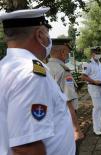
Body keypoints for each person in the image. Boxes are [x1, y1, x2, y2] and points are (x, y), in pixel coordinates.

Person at [0, 8, 75, 155]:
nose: (49, 40)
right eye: (48, 33)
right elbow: (26, 148)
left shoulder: (6, 66)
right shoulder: (31, 74)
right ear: (40, 35)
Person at [46, 38, 85, 144]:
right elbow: (68, 101)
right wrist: (76, 129)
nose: (68, 55)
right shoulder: (63, 71)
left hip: (51, 118)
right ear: (63, 52)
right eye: (68, 52)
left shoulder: (45, 68)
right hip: (65, 117)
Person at [81, 46, 101, 136]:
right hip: (93, 87)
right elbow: (83, 76)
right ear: (92, 54)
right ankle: (95, 129)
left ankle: (100, 126)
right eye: (96, 53)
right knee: (96, 107)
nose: (98, 55)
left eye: (99, 53)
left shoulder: (100, 64)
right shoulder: (88, 63)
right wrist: (94, 81)